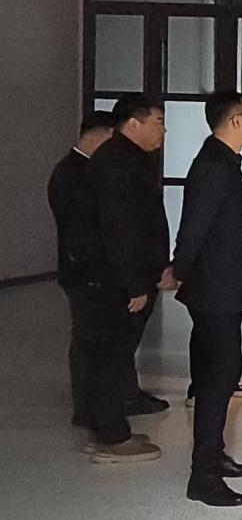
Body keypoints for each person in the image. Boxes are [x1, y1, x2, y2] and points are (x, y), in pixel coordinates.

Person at [171, 92, 242, 507]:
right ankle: (203, 475)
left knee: (224, 374)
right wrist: (179, 269)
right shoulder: (213, 166)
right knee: (218, 378)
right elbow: (194, 227)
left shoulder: (224, 161)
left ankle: (214, 456)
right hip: (215, 289)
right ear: (234, 120)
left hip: (223, 289)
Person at [79, 97, 173, 463]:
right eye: (158, 121)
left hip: (121, 276)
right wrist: (133, 283)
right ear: (134, 124)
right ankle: (113, 437)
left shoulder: (125, 158)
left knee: (112, 354)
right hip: (117, 280)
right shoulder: (118, 162)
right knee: (113, 355)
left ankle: (106, 427)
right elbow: (117, 228)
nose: (163, 129)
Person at [47, 110, 115, 429]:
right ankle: (86, 407)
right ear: (96, 136)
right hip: (82, 271)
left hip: (87, 269)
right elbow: (78, 229)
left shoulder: (82, 170)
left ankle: (96, 402)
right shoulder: (72, 173)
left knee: (94, 337)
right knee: (87, 338)